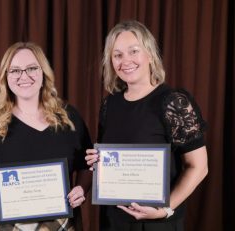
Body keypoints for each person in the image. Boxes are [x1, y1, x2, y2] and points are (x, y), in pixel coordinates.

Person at [85, 20, 208, 231]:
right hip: (114, 222)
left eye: (134, 51)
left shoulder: (173, 101)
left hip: (158, 223)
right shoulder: (110, 104)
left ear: (150, 54)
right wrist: (98, 161)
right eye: (118, 55)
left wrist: (165, 209)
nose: (126, 61)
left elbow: (198, 167)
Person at [0, 42, 92, 230]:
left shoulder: (69, 117)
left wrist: (81, 189)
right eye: (15, 71)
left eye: (32, 68)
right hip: (9, 224)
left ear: (43, 72)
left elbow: (86, 165)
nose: (24, 76)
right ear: (5, 76)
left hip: (61, 223)